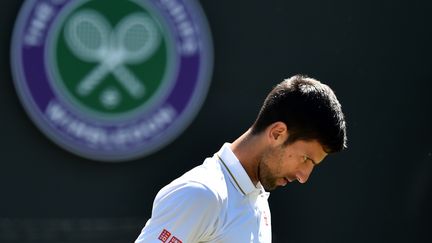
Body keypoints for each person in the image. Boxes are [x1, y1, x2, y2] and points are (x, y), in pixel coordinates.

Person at [135, 75, 347, 243]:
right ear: (277, 133)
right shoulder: (200, 194)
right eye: (305, 159)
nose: (303, 176)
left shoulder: (259, 199)